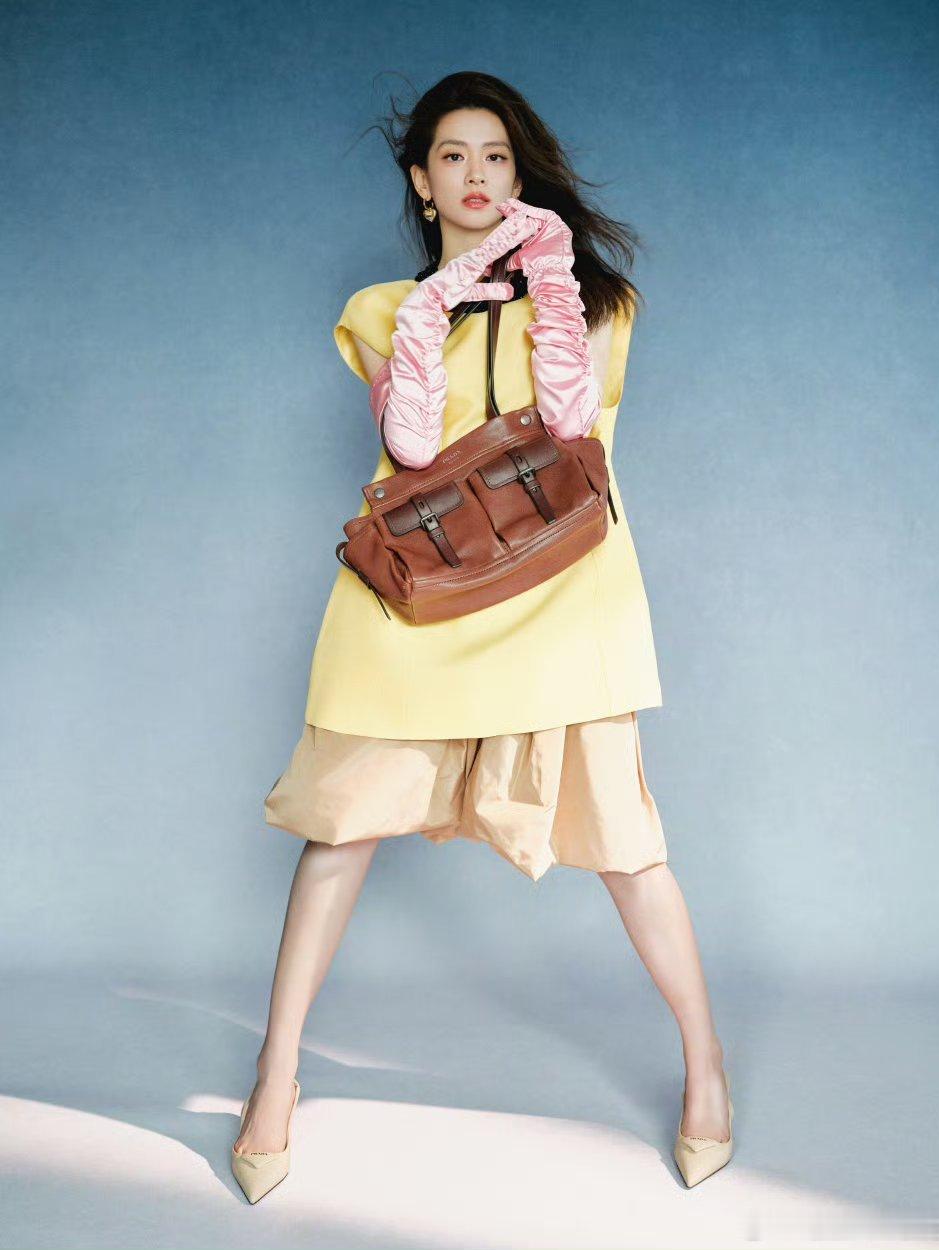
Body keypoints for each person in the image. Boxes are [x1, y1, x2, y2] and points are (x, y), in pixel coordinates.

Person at [231, 72, 734, 1203]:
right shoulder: (380, 312)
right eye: (452, 157)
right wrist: (439, 305)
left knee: (627, 846)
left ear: (521, 173)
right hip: (417, 596)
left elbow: (572, 427)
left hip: (563, 596)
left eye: (496, 156)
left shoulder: (596, 305)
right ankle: (275, 1076)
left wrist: (542, 273)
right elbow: (414, 449)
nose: (475, 175)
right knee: (338, 833)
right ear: (421, 181)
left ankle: (706, 1066)